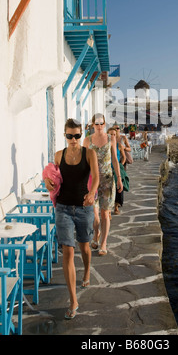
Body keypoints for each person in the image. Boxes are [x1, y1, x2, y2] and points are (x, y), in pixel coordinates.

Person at [44, 118, 99, 320]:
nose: (74, 139)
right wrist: (47, 182)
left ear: (80, 135)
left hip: (84, 208)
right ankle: (73, 300)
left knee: (84, 247)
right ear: (65, 135)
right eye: (70, 136)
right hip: (64, 208)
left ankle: (86, 271)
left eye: (77, 135)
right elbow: (51, 175)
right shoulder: (59, 155)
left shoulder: (90, 153)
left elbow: (97, 176)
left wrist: (92, 192)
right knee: (68, 250)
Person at [83, 114, 123, 256]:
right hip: (92, 182)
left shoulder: (110, 139)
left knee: (105, 213)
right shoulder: (87, 141)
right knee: (95, 215)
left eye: (102, 123)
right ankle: (96, 234)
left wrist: (119, 178)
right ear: (93, 125)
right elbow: (84, 162)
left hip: (107, 180)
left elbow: (114, 159)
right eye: (97, 123)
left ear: (105, 124)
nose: (99, 126)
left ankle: (103, 242)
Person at [108, 127, 126, 215]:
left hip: (116, 169)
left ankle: (116, 206)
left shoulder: (119, 145)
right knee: (108, 190)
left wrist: (121, 165)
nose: (112, 136)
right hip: (107, 169)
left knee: (118, 187)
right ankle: (107, 211)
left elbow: (124, 157)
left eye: (114, 134)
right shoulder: (105, 145)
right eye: (110, 134)